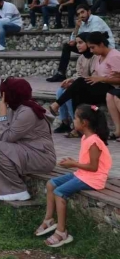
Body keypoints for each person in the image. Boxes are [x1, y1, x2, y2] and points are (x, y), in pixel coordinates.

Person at [35, 105, 112, 248]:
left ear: (84, 122)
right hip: (84, 174)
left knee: (59, 192)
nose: (73, 120)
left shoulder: (94, 142)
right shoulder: (85, 138)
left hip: (94, 179)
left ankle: (61, 231)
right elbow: (87, 163)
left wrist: (74, 164)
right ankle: (49, 219)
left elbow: (94, 167)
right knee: (51, 183)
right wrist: (74, 162)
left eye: (76, 118)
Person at [0, 78, 56, 202]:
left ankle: (16, 190)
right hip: (24, 149)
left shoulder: (28, 112)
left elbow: (5, 139)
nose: (1, 96)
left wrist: (2, 114)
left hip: (41, 156)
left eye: (3, 93)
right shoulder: (14, 109)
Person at [50, 31, 120, 119]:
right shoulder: (99, 56)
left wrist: (102, 79)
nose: (91, 50)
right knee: (77, 91)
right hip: (101, 87)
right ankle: (78, 124)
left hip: (112, 90)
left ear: (101, 44)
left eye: (92, 47)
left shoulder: (114, 56)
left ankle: (57, 104)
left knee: (79, 83)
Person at [46, 4, 114, 82]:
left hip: (103, 47)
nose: (81, 15)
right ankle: (61, 73)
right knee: (67, 46)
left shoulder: (96, 20)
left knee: (89, 41)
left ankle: (91, 74)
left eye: (82, 12)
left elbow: (94, 38)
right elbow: (74, 39)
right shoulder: (82, 23)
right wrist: (77, 28)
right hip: (90, 46)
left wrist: (79, 40)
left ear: (89, 12)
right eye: (78, 14)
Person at [54, 33, 95, 135]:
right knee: (61, 90)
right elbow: (78, 74)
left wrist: (74, 81)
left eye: (80, 42)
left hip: (90, 86)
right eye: (76, 43)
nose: (77, 45)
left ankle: (76, 124)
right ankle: (65, 122)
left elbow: (92, 76)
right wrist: (70, 80)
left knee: (69, 93)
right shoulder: (81, 58)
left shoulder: (94, 57)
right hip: (80, 83)